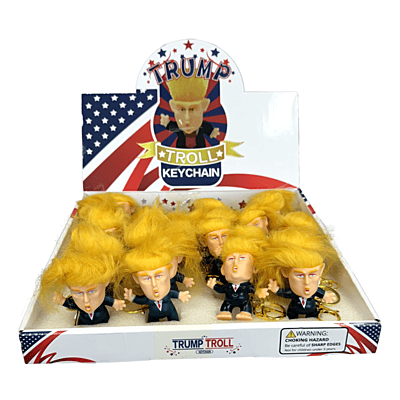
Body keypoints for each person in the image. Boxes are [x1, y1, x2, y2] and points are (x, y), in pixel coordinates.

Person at [207, 225, 269, 321]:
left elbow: (252, 289)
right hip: (228, 302)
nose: (235, 262)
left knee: (246, 305)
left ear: (254, 268)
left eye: (242, 258)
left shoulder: (247, 286)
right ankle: (225, 311)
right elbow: (221, 289)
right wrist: (214, 286)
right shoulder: (227, 286)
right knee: (226, 305)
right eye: (231, 259)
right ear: (223, 270)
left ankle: (246, 312)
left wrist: (259, 292)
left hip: (244, 302)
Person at [160, 71, 220, 148]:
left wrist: (212, 132)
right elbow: (172, 126)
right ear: (172, 107)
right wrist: (166, 123)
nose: (187, 118)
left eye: (192, 109)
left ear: (204, 105)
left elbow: (208, 129)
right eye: (182, 109)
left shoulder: (203, 126)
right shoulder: (179, 127)